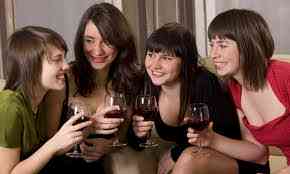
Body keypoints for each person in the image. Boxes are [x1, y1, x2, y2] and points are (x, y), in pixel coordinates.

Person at [130, 22, 269, 174]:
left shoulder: (205, 83)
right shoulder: (147, 84)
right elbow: (137, 143)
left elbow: (220, 134)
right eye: (151, 55)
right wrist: (138, 135)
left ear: (185, 62)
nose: (154, 65)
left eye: (166, 58)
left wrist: (176, 153)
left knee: (189, 157)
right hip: (197, 160)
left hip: (236, 161)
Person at [46, 2, 143, 173]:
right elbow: (48, 142)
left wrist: (109, 146)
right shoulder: (64, 79)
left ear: (121, 43)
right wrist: (91, 126)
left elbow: (123, 134)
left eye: (106, 42)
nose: (97, 50)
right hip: (61, 166)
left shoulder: (130, 80)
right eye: (89, 41)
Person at [205, 8, 290, 174]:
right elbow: (256, 151)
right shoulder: (234, 89)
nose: (213, 54)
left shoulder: (284, 76)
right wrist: (210, 139)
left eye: (222, 45)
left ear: (247, 45)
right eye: (211, 45)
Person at [0, 26, 92, 173]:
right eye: (57, 59)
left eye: (64, 58)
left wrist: (92, 125)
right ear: (32, 65)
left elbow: (46, 155)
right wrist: (54, 143)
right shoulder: (8, 105)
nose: (66, 66)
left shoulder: (41, 101)